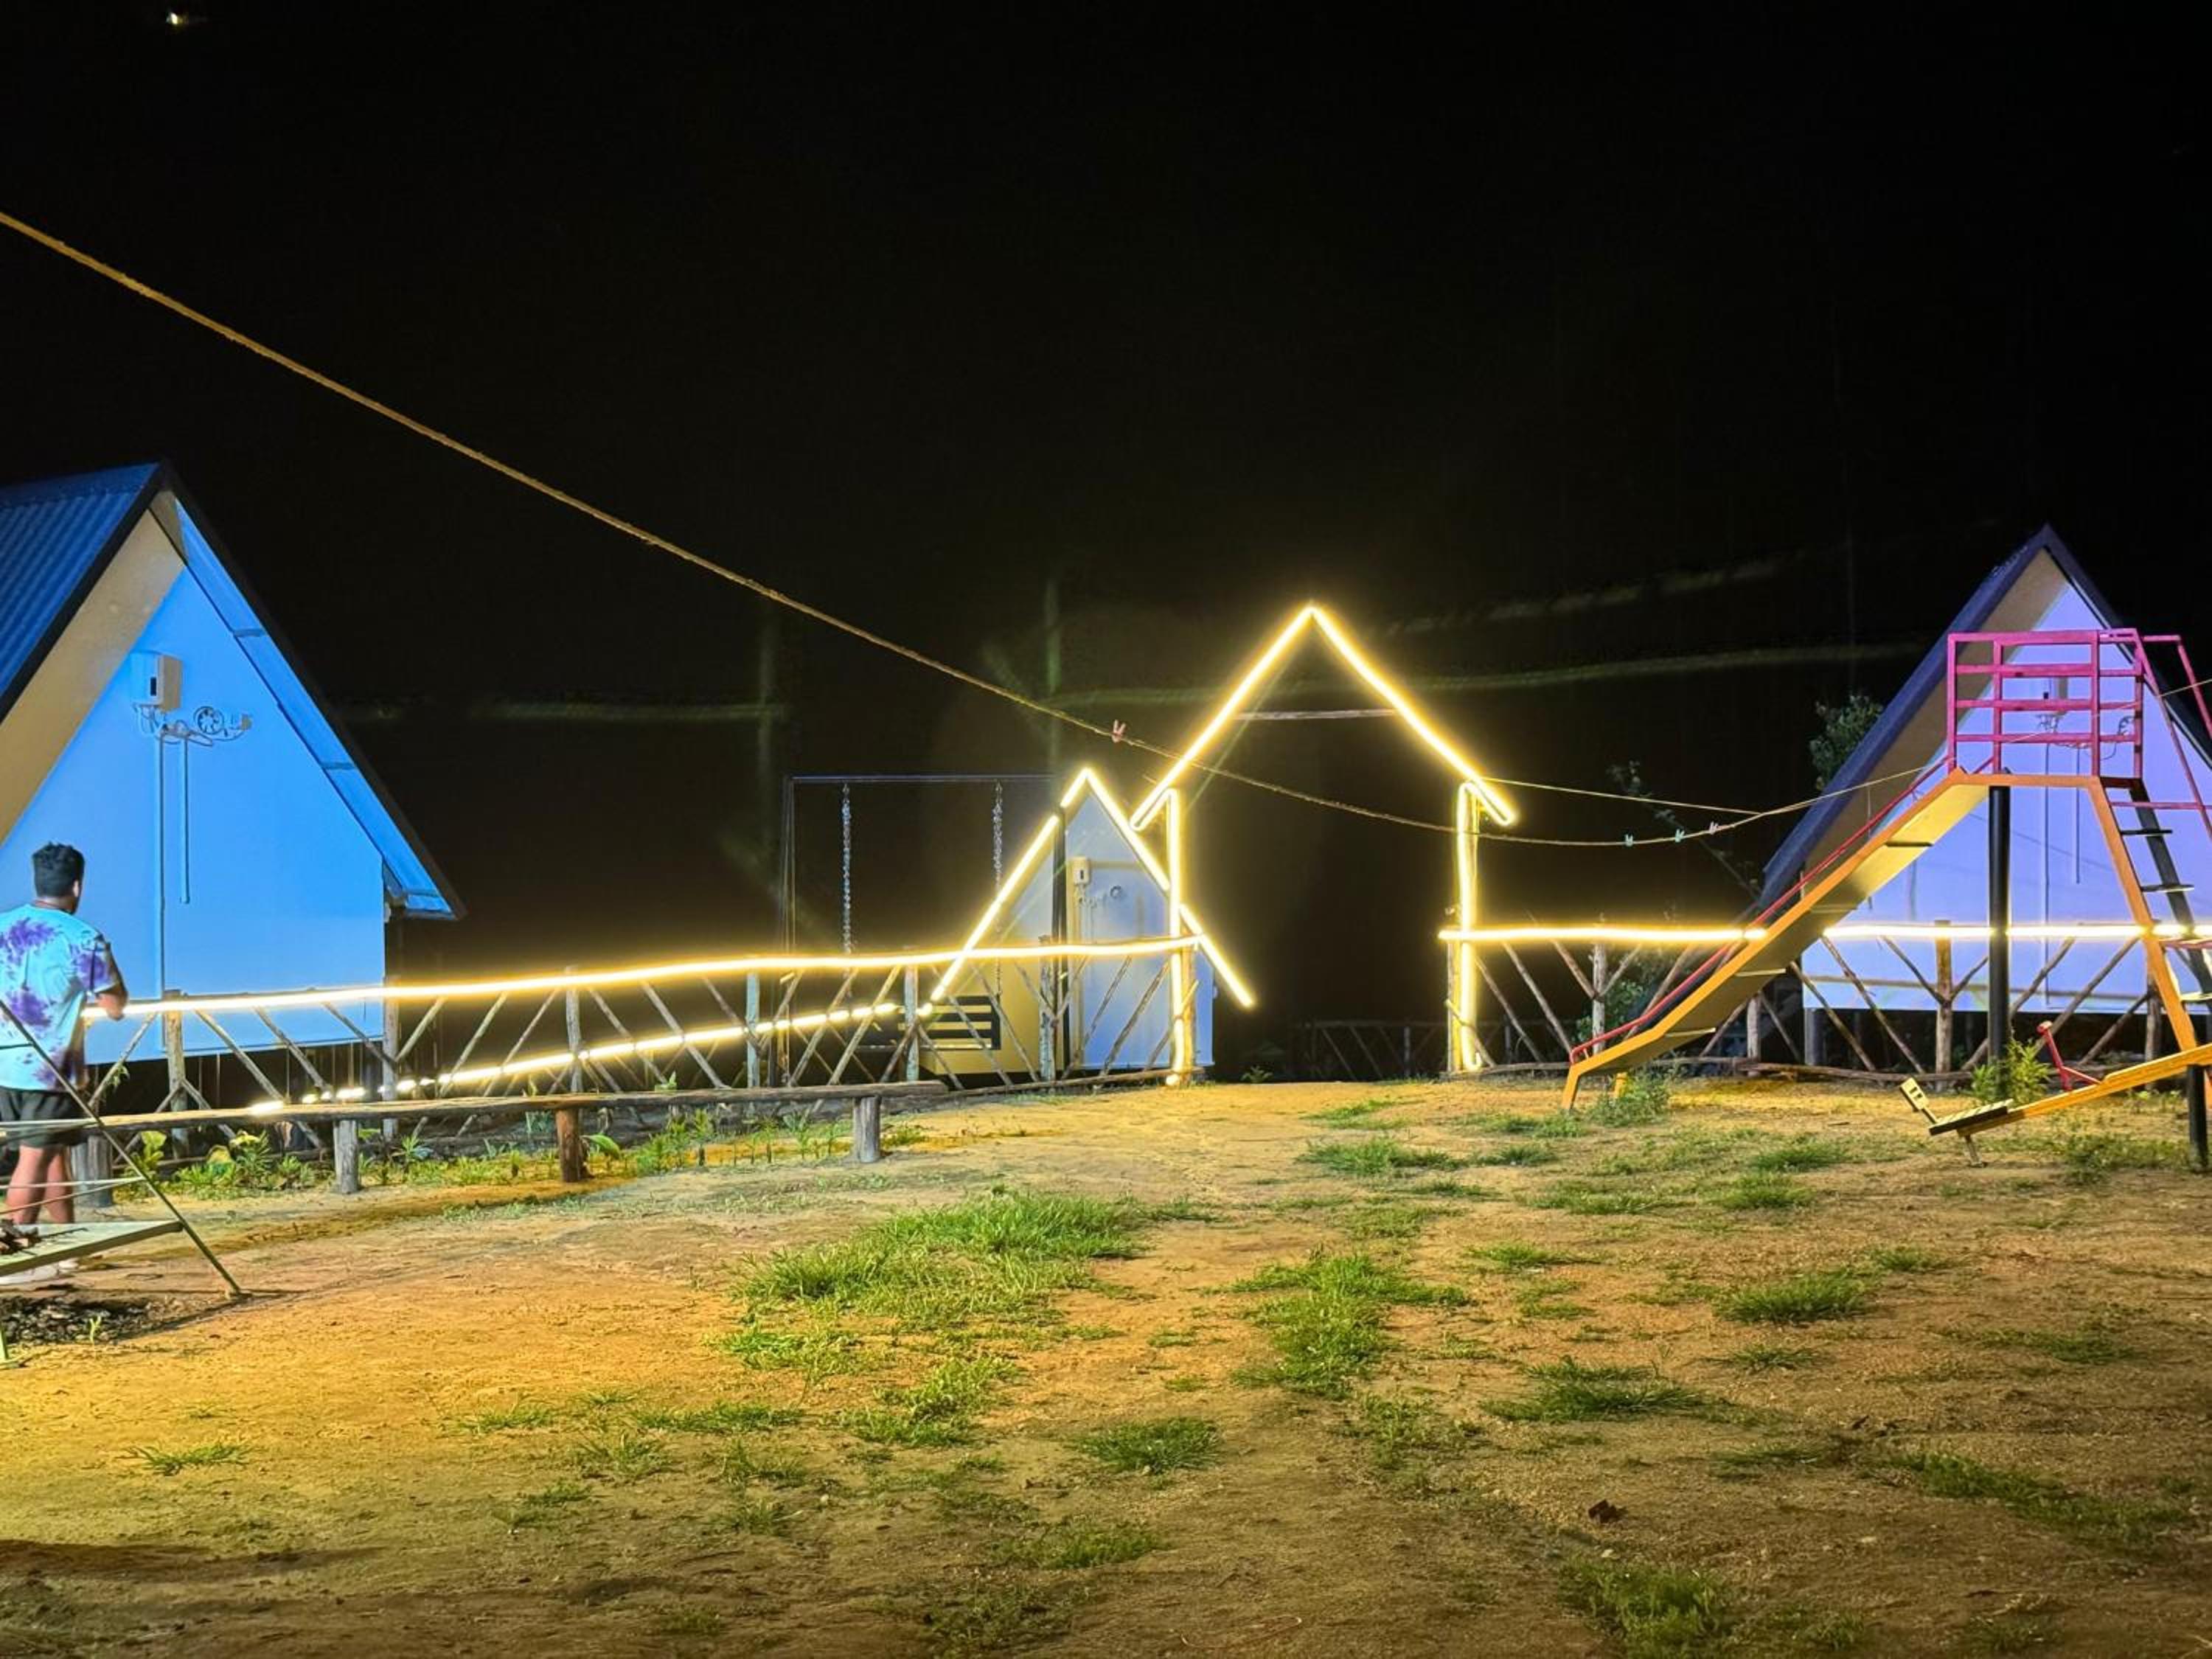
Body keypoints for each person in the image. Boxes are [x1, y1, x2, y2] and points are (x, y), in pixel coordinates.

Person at [1, 844, 127, 1226]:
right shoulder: (83, 937)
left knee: (54, 1152)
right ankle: (18, 1246)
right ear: (77, 886)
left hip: (4, 1062)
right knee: (33, 1160)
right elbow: (114, 1005)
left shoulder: (4, 926)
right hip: (50, 1069)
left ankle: (67, 1240)